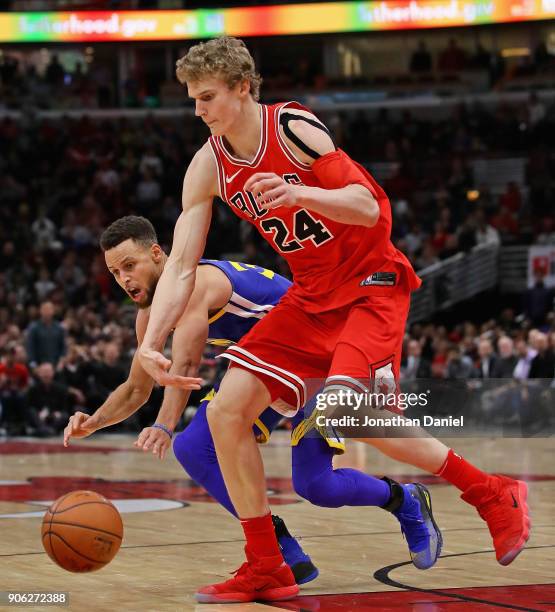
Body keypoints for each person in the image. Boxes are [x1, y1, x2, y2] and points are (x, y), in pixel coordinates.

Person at [136, 37, 530, 604]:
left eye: (207, 97)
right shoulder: (208, 164)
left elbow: (369, 207)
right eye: (193, 100)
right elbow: (179, 263)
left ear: (243, 88)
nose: (198, 111)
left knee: (352, 414)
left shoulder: (293, 126)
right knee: (225, 413)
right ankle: (267, 564)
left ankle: (493, 492)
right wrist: (150, 342)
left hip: (371, 285)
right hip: (311, 298)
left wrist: (300, 193)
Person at [63, 216, 442, 586]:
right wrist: (93, 421)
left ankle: (404, 499)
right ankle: (277, 545)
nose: (124, 279)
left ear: (158, 254)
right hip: (266, 375)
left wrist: (163, 424)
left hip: (319, 362)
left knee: (316, 487)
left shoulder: (193, 284)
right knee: (196, 448)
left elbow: (186, 364)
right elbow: (135, 388)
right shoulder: (150, 317)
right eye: (115, 273)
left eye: (130, 265)